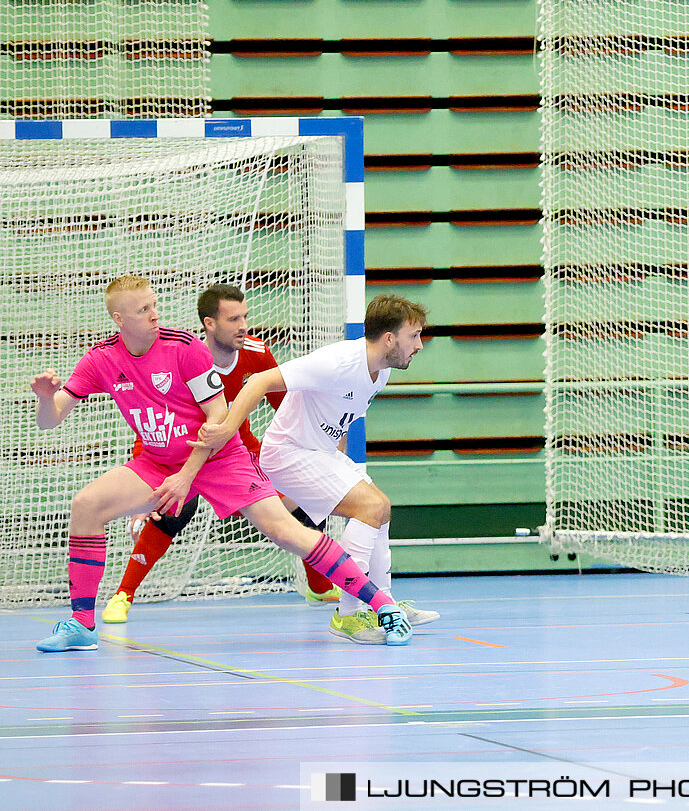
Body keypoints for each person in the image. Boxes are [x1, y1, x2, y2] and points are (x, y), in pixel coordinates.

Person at [31, 277, 410, 652]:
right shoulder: (101, 358)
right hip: (158, 461)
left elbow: (218, 416)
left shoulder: (183, 347)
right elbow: (50, 419)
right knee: (85, 505)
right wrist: (46, 398)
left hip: (220, 458)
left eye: (154, 304)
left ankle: (383, 606)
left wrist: (186, 476)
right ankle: (82, 624)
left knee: (285, 530)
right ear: (119, 318)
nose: (154, 314)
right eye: (143, 309)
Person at [197, 295, 439, 645]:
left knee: (381, 508)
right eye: (413, 336)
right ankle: (349, 614)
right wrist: (226, 428)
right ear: (389, 338)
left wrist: (336, 460)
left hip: (317, 452)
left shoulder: (380, 372)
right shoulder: (337, 361)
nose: (419, 345)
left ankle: (383, 604)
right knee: (368, 508)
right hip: (288, 453)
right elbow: (258, 382)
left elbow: (339, 417)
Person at [102, 283, 341, 624]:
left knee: (303, 496)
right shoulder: (182, 356)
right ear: (209, 324)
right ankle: (123, 594)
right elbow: (152, 424)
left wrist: (312, 453)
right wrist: (147, 488)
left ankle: (319, 586)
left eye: (245, 316)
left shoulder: (258, 354)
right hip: (185, 453)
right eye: (233, 319)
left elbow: (287, 412)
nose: (243, 326)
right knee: (171, 510)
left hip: (239, 455)